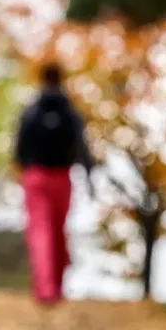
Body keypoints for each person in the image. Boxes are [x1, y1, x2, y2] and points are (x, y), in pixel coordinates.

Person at [14, 63, 96, 306]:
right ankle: (58, 287)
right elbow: (82, 147)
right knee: (59, 231)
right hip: (63, 176)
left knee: (40, 231)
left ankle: (45, 288)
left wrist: (24, 167)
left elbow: (19, 149)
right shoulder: (70, 111)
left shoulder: (32, 110)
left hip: (36, 176)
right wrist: (90, 176)